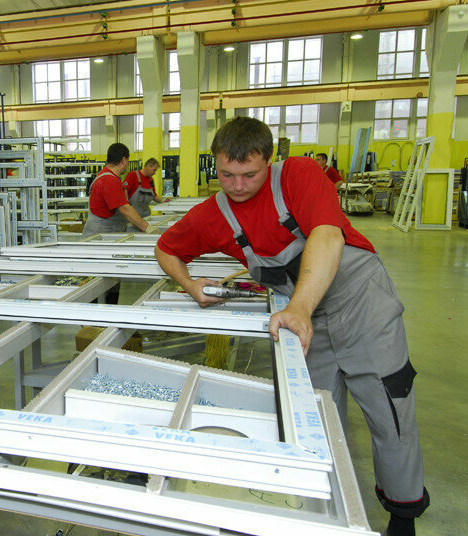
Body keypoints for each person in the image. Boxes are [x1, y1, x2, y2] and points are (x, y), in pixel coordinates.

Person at [154, 117, 428, 536]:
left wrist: (299, 306)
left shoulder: (299, 174)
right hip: (303, 318)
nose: (238, 186)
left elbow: (327, 236)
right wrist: (190, 285)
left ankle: (402, 515)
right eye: (226, 175)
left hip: (360, 301)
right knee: (313, 416)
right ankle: (326, 512)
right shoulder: (213, 215)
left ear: (268, 160)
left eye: (249, 174)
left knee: (389, 406)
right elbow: (166, 248)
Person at [82, 143, 161, 237]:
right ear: (123, 160)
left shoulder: (109, 176)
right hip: (98, 237)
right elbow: (125, 209)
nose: (128, 164)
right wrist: (148, 228)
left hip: (107, 234)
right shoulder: (109, 180)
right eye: (128, 160)